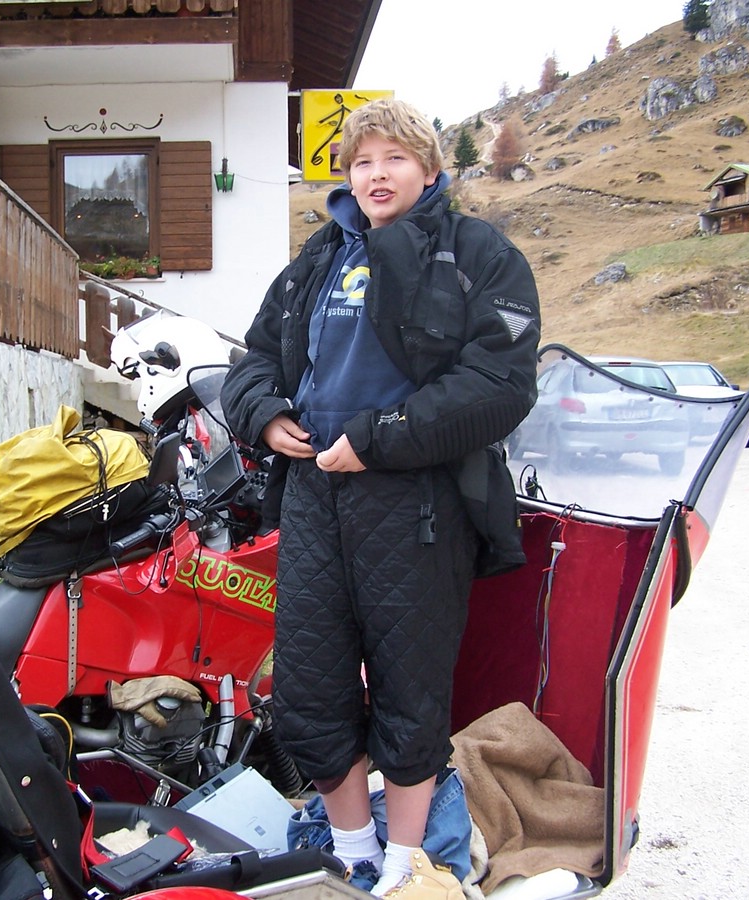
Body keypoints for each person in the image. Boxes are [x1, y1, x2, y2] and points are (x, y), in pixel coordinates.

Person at [221, 99, 540, 898]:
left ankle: (404, 866)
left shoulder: (479, 253)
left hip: (418, 503)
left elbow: (500, 382)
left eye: (394, 158)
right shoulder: (318, 258)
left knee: (410, 689)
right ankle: (351, 850)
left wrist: (380, 437)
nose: (376, 174)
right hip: (314, 497)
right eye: (362, 161)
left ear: (429, 170)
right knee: (309, 690)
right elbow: (254, 359)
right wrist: (267, 415)